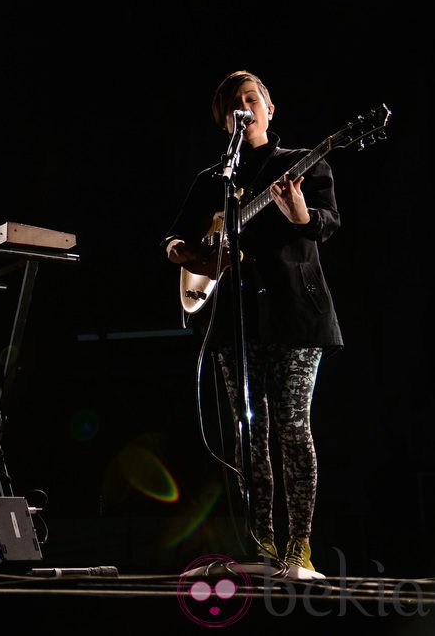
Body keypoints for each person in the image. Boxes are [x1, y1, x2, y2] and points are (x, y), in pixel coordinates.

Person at [162, 71, 343, 572]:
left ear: (269, 108)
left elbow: (328, 223)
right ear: (226, 121)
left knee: (291, 425)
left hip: (295, 314)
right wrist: (181, 252)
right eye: (234, 105)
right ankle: (258, 546)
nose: (245, 108)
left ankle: (298, 547)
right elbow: (176, 235)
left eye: (252, 99)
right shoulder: (213, 180)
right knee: (249, 431)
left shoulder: (301, 164)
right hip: (234, 318)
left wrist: (300, 211)